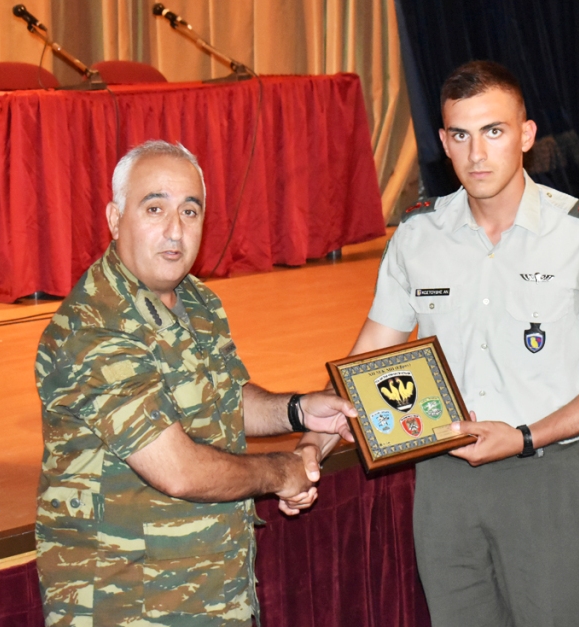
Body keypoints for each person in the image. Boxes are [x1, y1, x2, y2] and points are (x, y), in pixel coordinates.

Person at [314, 61, 579, 626]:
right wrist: (311, 447)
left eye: (493, 131)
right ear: (443, 142)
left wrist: (524, 437)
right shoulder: (416, 235)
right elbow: (368, 359)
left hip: (543, 476)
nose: (476, 154)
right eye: (460, 135)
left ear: (526, 135)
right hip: (442, 480)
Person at [34, 140, 356, 626]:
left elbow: (224, 399)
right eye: (154, 208)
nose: (175, 230)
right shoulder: (93, 329)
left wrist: (298, 410)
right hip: (128, 603)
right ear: (115, 219)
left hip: (211, 592)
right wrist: (282, 471)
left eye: (190, 211)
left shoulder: (196, 299)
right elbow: (177, 470)